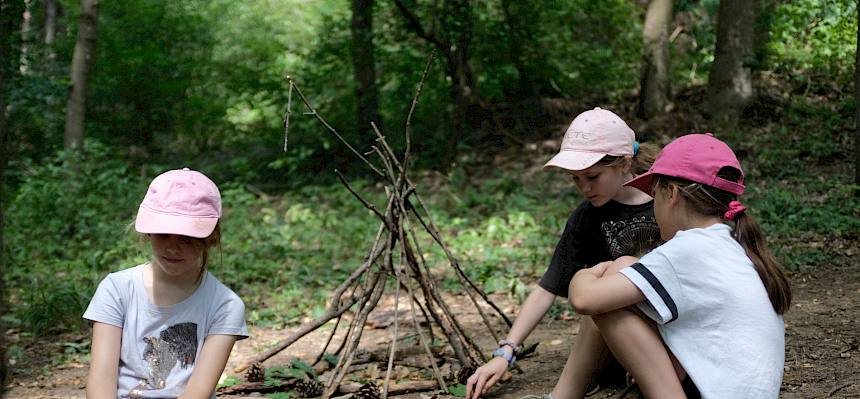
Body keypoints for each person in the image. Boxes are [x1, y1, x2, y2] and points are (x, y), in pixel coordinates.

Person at [567, 133, 792, 398]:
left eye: (654, 195)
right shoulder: (729, 243)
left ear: (671, 193)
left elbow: (584, 300)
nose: (653, 206)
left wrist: (587, 273)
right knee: (627, 268)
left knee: (607, 301)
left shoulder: (688, 249)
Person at [466, 107, 662, 399]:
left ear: (624, 163)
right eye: (575, 179)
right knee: (601, 294)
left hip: (667, 330)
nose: (584, 188)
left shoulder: (666, 203)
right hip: (613, 335)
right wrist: (505, 352)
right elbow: (550, 285)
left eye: (592, 176)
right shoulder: (586, 217)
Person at [84, 168, 248, 399]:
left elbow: (198, 392)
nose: (173, 247)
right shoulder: (116, 290)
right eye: (163, 234)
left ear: (211, 238)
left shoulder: (226, 305)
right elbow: (101, 382)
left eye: (187, 237)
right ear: (148, 233)